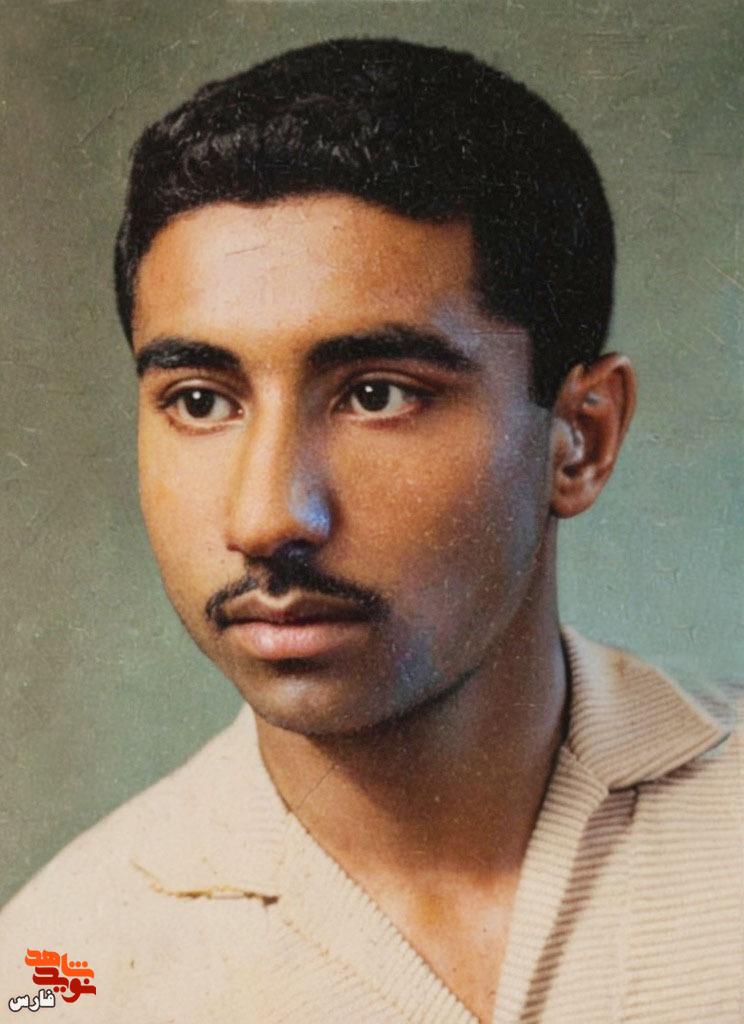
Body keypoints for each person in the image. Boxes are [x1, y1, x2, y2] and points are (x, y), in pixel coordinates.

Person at [1, 37, 741, 1024]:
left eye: (377, 394)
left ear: (581, 438)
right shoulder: (60, 971)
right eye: (201, 400)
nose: (267, 517)